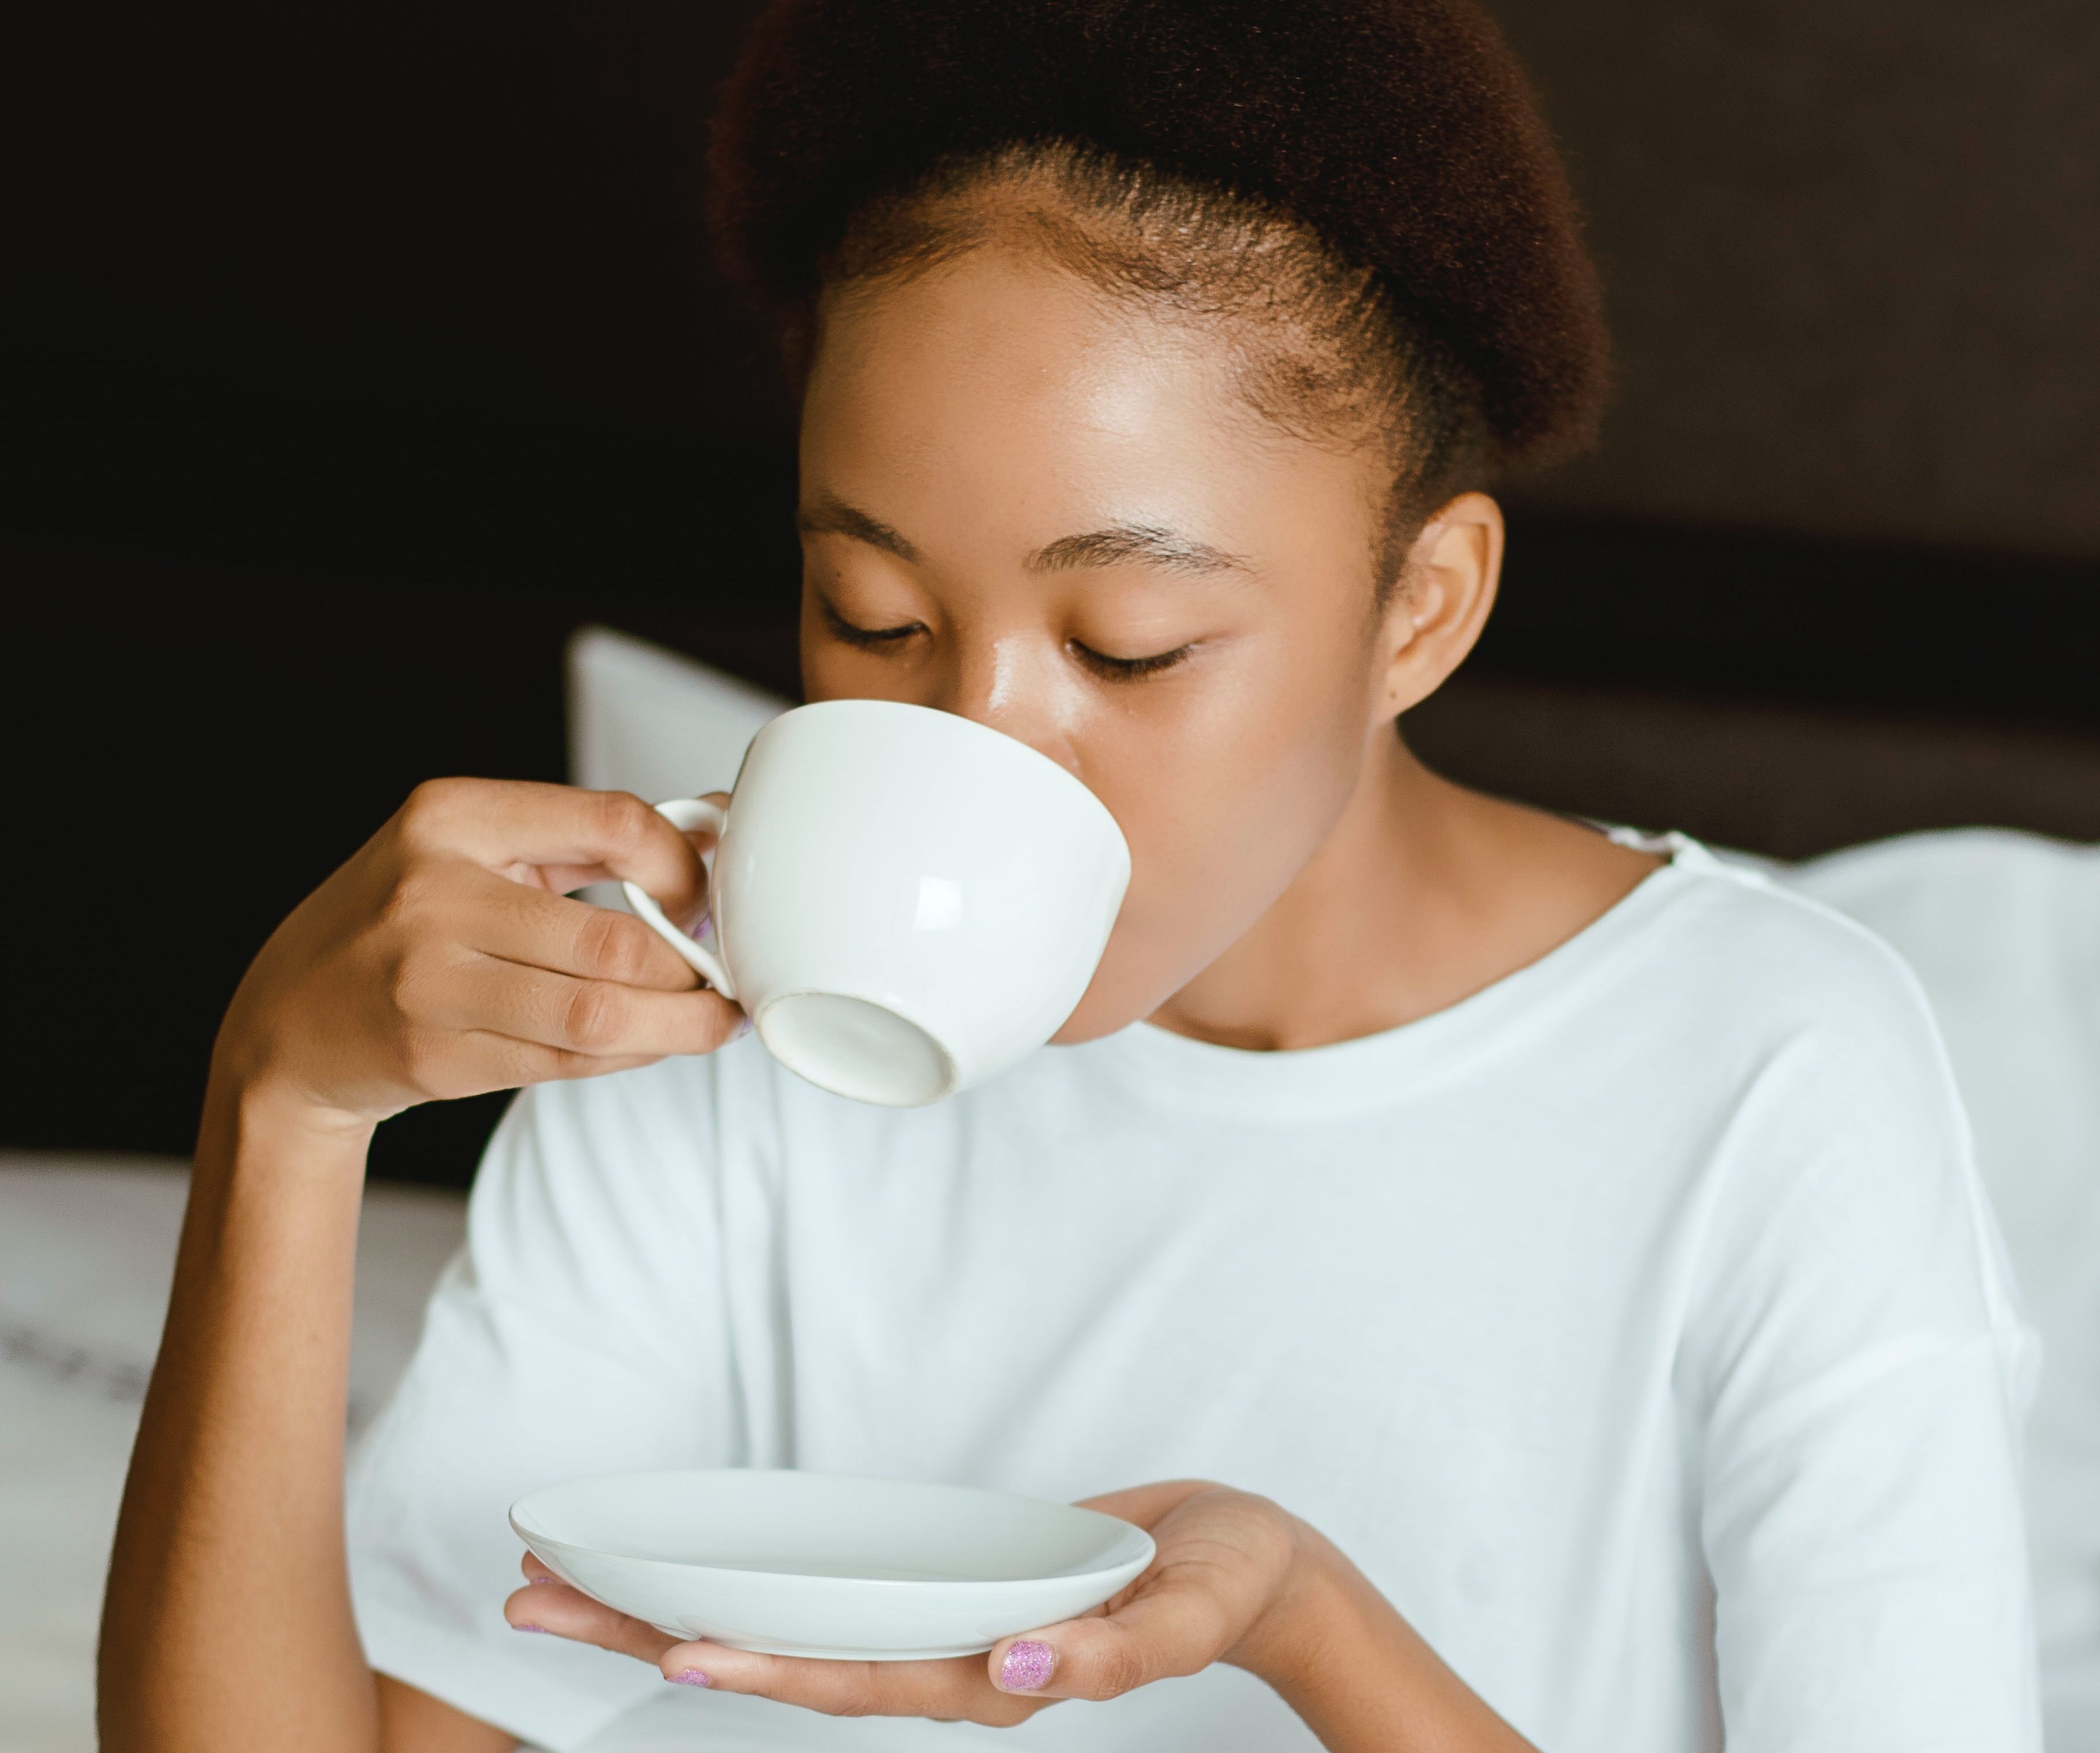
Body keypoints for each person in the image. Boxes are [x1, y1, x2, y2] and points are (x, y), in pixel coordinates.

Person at [98, 1, 2041, 1748]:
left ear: (1420, 610)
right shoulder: (715, 998)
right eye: (869, 615)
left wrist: (1306, 1625)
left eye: (1124, 646)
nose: (972, 747)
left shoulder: (1766, 1068)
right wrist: (285, 1099)